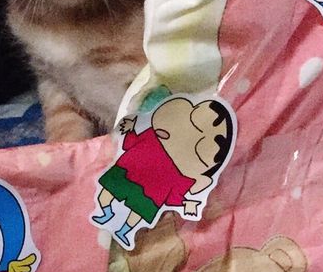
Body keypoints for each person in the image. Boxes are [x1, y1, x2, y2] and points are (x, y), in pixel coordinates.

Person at [91, 95, 234, 249]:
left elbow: (175, 195)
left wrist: (186, 203)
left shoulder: (181, 174)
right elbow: (130, 144)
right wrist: (130, 131)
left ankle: (124, 230)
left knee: (136, 212)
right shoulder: (152, 135)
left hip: (148, 194)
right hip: (125, 174)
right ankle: (107, 213)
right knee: (108, 194)